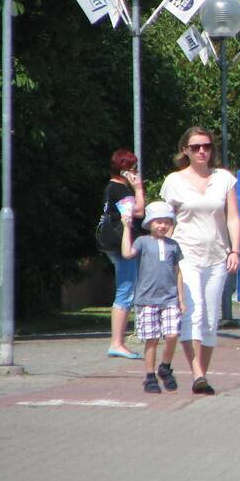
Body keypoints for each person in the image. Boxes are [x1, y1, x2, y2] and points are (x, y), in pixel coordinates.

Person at [160, 127, 240, 395]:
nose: (201, 151)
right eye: (195, 147)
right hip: (186, 255)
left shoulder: (224, 179)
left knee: (210, 317)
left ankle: (201, 374)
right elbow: (166, 221)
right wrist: (164, 255)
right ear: (185, 150)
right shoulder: (174, 181)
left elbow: (232, 217)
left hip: (217, 255)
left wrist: (235, 250)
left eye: (206, 146)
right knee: (193, 313)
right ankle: (196, 373)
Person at [120, 202, 185, 394]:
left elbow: (178, 272)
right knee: (152, 339)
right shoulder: (143, 242)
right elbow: (126, 253)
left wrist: (181, 299)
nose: (162, 226)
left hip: (170, 298)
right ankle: (149, 376)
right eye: (158, 222)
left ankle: (165, 366)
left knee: (172, 334)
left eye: (166, 222)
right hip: (147, 299)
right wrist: (126, 228)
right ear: (150, 223)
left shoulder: (174, 246)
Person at [103, 149, 146, 359]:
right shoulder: (119, 189)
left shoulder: (113, 188)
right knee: (126, 291)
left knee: (126, 289)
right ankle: (117, 343)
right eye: (133, 168)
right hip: (123, 245)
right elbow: (137, 212)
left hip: (116, 244)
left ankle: (117, 342)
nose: (136, 172)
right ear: (124, 170)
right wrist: (138, 188)